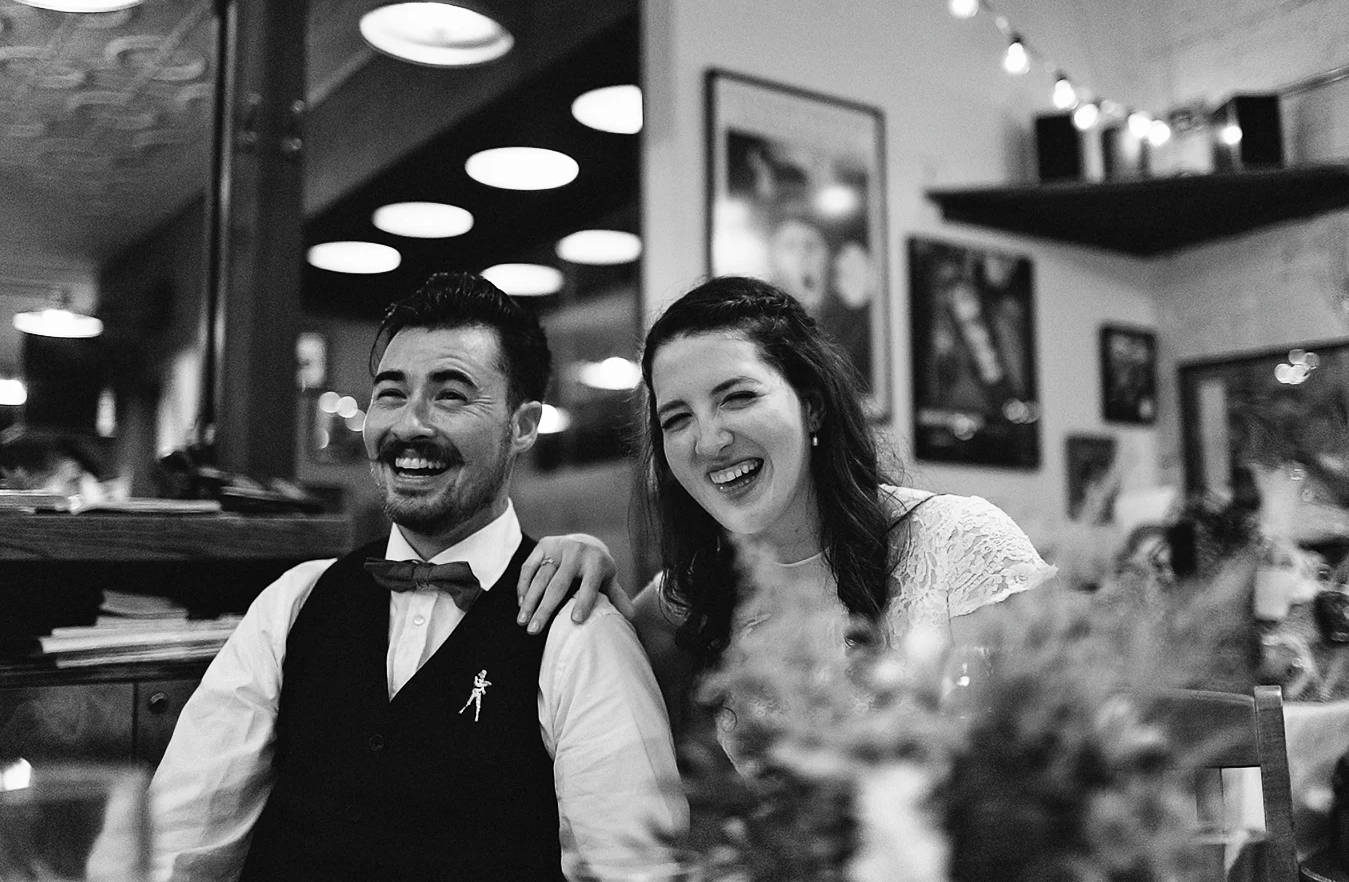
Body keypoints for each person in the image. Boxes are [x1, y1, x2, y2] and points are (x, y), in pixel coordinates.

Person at [149, 272, 685, 882]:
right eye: (390, 394)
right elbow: (178, 842)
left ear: (523, 425)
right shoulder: (295, 602)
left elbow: (635, 869)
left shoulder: (579, 627)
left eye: (451, 396)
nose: (409, 425)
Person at [516, 275, 1055, 720]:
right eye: (677, 419)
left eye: (738, 397)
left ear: (812, 406)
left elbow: (1052, 758)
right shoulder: (686, 600)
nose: (709, 442)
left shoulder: (959, 544)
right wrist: (586, 558)